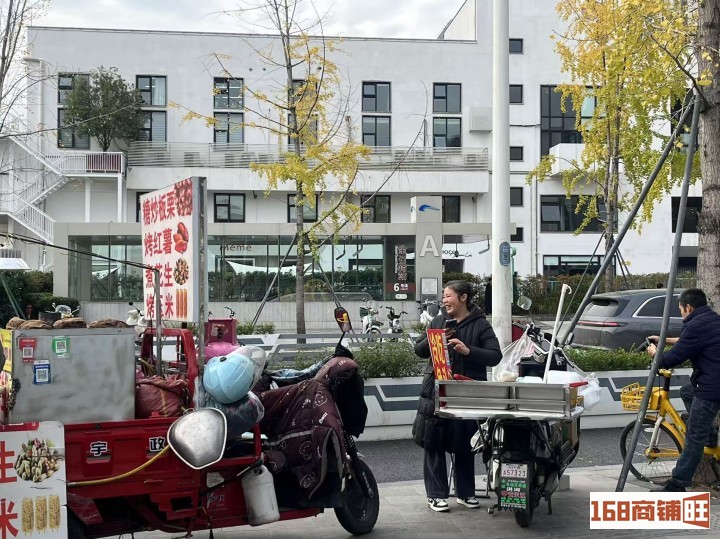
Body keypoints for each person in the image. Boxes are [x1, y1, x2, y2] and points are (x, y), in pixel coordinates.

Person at [412, 280, 502, 512]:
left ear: (463, 297)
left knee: (464, 442)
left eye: (448, 296)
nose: (444, 300)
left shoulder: (480, 324)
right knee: (433, 441)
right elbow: (418, 350)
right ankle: (436, 495)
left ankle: (465, 492)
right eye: (443, 296)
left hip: (466, 393)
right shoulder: (438, 321)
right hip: (435, 391)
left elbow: (495, 356)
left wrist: (468, 350)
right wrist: (435, 338)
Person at [646, 288, 720, 492]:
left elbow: (667, 360)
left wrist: (654, 352)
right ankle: (709, 435)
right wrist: (665, 340)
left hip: (711, 388)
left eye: (680, 310)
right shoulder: (712, 319)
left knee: (693, 439)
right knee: (687, 391)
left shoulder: (695, 325)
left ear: (688, 307)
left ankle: (677, 485)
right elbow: (690, 341)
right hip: (712, 382)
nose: (681, 314)